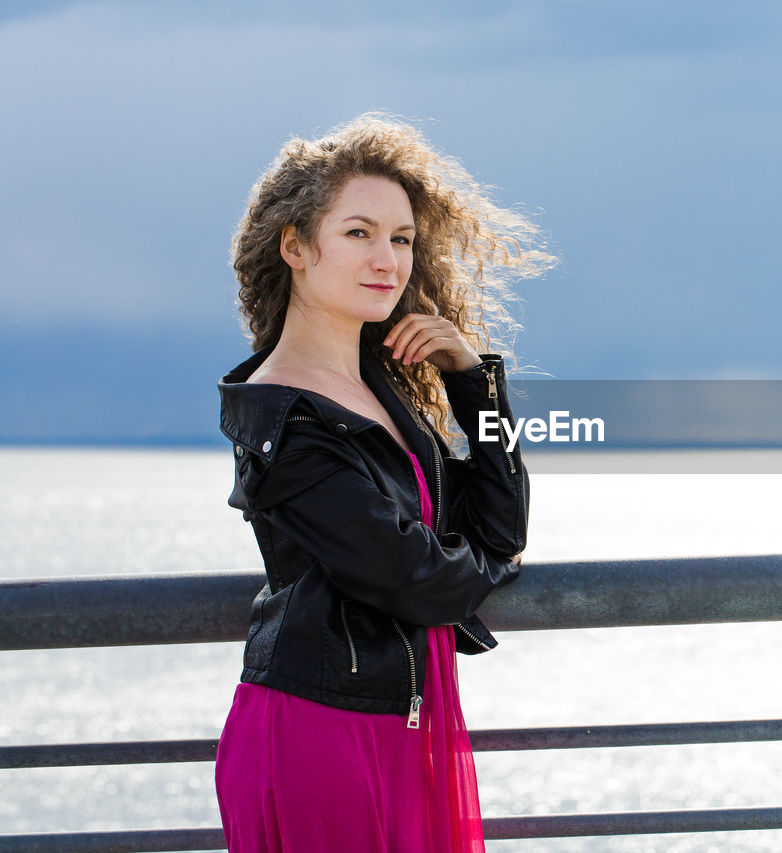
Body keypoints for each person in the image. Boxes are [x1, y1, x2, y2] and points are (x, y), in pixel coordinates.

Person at [214, 114, 551, 852]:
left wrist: (474, 385)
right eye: (360, 232)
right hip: (318, 738)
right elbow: (420, 579)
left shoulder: (380, 393)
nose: (388, 259)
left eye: (401, 238)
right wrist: (485, 568)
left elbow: (502, 524)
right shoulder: (284, 419)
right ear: (296, 245)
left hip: (397, 729)